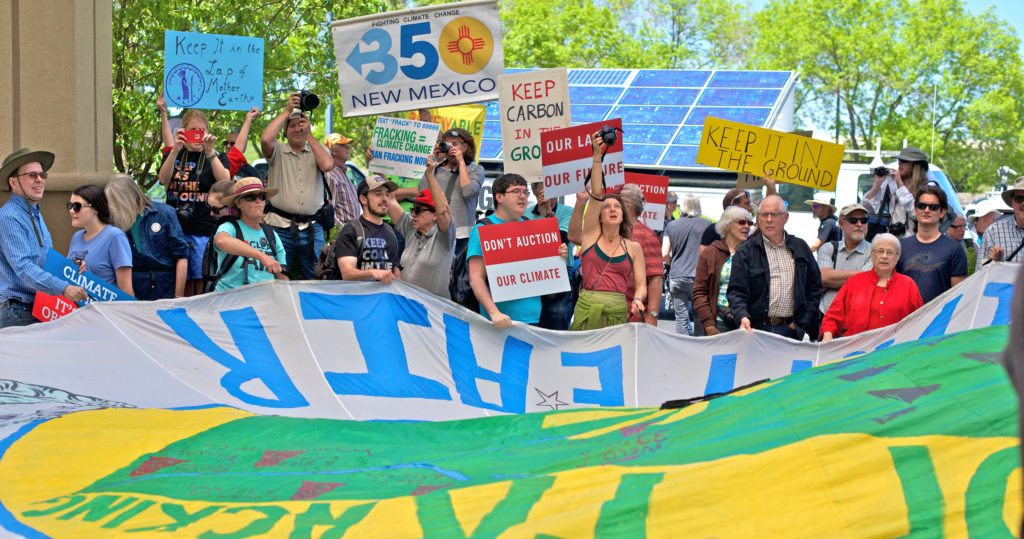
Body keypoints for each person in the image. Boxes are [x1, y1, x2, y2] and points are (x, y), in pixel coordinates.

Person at [0, 148, 87, 327]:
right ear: (13, 182)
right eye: (32, 175)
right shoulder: (9, 216)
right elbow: (24, 268)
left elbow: (44, 260)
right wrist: (63, 288)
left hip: (36, 308)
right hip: (17, 311)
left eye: (42, 175)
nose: (39, 180)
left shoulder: (34, 213)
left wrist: (70, 266)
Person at [568, 133, 646, 330]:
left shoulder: (634, 247)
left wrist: (637, 299)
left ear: (623, 215)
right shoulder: (590, 237)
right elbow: (596, 192)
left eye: (617, 207)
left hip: (617, 312)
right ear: (599, 216)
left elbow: (641, 285)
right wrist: (597, 155)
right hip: (587, 309)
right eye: (607, 207)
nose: (612, 209)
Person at [468, 173, 567, 328]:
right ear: (499, 197)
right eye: (515, 191)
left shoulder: (531, 225)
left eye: (525, 192)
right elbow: (476, 278)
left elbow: (543, 270)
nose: (523, 197)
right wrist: (494, 313)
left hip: (534, 317)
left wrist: (558, 255)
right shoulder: (482, 229)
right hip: (499, 322)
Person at [259, 92, 334, 279]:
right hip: (280, 226)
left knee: (317, 277)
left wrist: (309, 135)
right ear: (285, 132)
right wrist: (287, 111)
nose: (297, 129)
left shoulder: (316, 149)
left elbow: (327, 165)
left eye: (301, 125)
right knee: (277, 275)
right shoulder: (278, 149)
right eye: (292, 126)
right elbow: (266, 139)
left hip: (312, 227)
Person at [727, 195, 822, 340]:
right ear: (758, 218)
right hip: (755, 331)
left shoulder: (800, 247)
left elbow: (814, 288)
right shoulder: (745, 252)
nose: (769, 220)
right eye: (764, 214)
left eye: (774, 214)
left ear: (786, 217)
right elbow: (736, 293)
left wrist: (803, 320)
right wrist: (742, 317)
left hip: (790, 330)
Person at [157, 108, 231, 295]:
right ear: (183, 131)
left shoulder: (217, 156)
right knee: (178, 277)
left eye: (201, 131)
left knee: (199, 278)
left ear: (207, 131)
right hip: (175, 229)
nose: (197, 135)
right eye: (192, 130)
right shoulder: (175, 153)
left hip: (202, 229)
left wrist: (210, 152)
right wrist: (175, 150)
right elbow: (164, 179)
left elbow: (225, 181)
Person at [820, 233, 924, 341]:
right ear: (872, 255)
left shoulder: (908, 285)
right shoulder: (854, 282)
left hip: (894, 352)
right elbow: (832, 317)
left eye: (890, 252)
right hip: (854, 351)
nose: (884, 256)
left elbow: (920, 320)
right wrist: (828, 336)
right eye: (880, 251)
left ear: (897, 257)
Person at [105, 176, 189, 300]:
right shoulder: (115, 223)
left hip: (164, 287)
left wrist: (178, 297)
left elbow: (182, 257)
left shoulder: (164, 213)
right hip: (132, 289)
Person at [385, 156, 454, 297]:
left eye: (418, 210)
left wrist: (429, 174)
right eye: (412, 209)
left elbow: (443, 210)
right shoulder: (411, 228)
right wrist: (377, 166)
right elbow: (390, 199)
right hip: (409, 304)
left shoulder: (444, 237)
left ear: (434, 215)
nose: (413, 215)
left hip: (434, 310)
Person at [211, 178, 288, 291]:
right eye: (251, 197)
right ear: (238, 203)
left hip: (264, 300)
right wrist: (261, 256)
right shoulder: (230, 227)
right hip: (230, 299)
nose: (258, 201)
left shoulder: (271, 235)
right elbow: (221, 241)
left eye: (262, 196)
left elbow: (282, 276)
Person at [896, 184, 967, 303]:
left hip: (940, 319)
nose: (926, 210)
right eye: (922, 206)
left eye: (933, 207)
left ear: (942, 212)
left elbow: (958, 295)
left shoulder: (955, 249)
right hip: (906, 319)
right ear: (915, 210)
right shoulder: (900, 246)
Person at [692, 206, 753, 335]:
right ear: (727, 225)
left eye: (750, 223)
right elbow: (699, 292)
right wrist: (709, 325)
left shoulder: (752, 253)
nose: (747, 226)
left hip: (747, 323)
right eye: (742, 222)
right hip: (719, 323)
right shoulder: (711, 253)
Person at [525, 181, 577, 330]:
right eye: (542, 188)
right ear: (534, 191)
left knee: (557, 320)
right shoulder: (525, 214)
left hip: (562, 271)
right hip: (533, 274)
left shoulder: (568, 211)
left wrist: (548, 211)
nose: (547, 193)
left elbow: (559, 239)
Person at [66, 184, 134, 296]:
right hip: (78, 310)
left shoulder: (115, 237)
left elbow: (126, 291)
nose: (72, 211)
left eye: (77, 206)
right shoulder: (76, 237)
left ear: (96, 209)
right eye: (70, 206)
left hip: (104, 311)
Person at [425, 128, 484, 255]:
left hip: (461, 235)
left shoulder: (476, 169)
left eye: (454, 144)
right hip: (435, 230)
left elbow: (468, 192)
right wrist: (432, 163)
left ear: (465, 147)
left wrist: (461, 162)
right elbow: (422, 190)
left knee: (456, 272)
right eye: (447, 144)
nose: (450, 147)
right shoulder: (437, 168)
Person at [334, 175, 401, 283]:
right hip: (358, 297)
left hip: (384, 298)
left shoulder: (390, 230)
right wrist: (372, 272)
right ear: (363, 199)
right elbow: (347, 274)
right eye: (378, 194)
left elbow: (395, 270)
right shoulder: (352, 230)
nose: (385, 199)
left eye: (387, 194)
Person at [663, 193, 711, 335]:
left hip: (677, 277)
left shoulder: (672, 225)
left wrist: (674, 264)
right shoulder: (707, 225)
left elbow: (664, 253)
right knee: (699, 316)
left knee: (681, 318)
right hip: (699, 278)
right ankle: (697, 349)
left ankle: (681, 349)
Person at [817, 204, 873, 315]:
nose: (859, 224)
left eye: (864, 220)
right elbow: (824, 278)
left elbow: (867, 281)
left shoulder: (875, 251)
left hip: (858, 318)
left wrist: (833, 279)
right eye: (853, 220)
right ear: (841, 224)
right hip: (826, 317)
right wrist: (863, 275)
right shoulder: (828, 248)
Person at [619, 184, 662, 327]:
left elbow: (655, 278)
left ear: (627, 205)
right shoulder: (611, 232)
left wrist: (652, 316)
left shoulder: (647, 236)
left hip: (632, 319)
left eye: (617, 202)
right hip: (613, 316)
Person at [862, 147, 930, 238]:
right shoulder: (890, 183)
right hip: (894, 240)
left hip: (918, 240)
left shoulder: (927, 187)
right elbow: (865, 209)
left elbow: (917, 214)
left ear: (916, 165)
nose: (899, 163)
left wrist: (900, 184)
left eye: (904, 161)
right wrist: (877, 183)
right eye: (899, 160)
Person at [700, 179, 777, 247]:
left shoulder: (747, 230)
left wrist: (771, 188)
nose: (750, 208)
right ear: (733, 206)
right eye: (746, 204)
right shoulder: (714, 231)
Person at [979, 177, 1024, 267]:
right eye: (1019, 198)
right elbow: (981, 274)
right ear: (1012, 202)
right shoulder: (993, 232)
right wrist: (994, 261)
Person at [323, 133, 362, 226]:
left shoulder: (342, 173)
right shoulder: (330, 175)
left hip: (352, 230)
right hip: (343, 233)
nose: (347, 148)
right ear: (332, 151)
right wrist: (340, 231)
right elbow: (328, 210)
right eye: (343, 145)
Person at [223, 108, 261, 179]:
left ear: (244, 145)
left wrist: (249, 118)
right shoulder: (218, 165)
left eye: (232, 144)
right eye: (226, 143)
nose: (228, 146)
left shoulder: (253, 174)